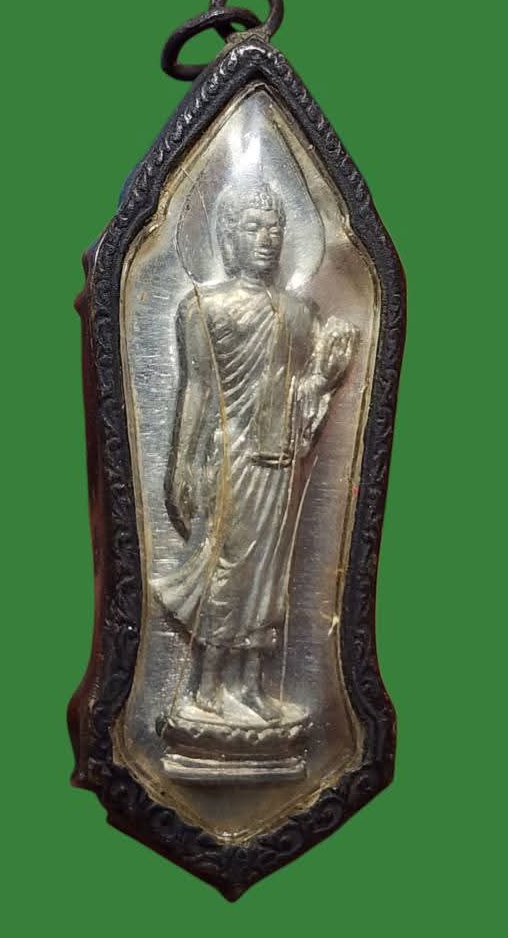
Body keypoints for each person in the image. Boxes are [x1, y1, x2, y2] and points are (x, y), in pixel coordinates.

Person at [153, 183, 356, 727]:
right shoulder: (205, 307)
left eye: (274, 228)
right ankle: (207, 687)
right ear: (227, 237)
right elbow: (197, 390)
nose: (266, 239)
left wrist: (324, 376)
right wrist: (181, 463)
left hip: (279, 457)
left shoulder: (300, 311)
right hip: (231, 459)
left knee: (269, 575)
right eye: (253, 227)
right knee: (230, 568)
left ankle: (249, 683)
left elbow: (303, 390)